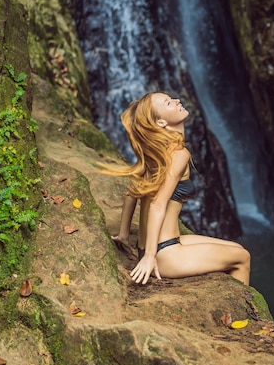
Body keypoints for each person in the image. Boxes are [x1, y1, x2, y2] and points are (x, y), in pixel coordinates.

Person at [103, 92, 250, 285]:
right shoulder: (178, 154)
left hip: (160, 245)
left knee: (236, 247)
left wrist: (124, 235)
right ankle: (244, 316)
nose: (177, 101)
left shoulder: (156, 151)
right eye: (168, 102)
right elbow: (157, 204)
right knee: (242, 258)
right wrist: (149, 257)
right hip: (165, 254)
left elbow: (131, 193)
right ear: (162, 122)